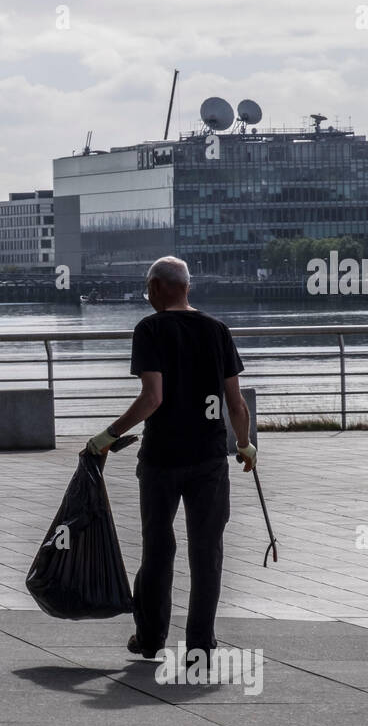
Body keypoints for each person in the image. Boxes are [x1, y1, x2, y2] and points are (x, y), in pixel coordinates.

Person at [85, 256, 255, 664]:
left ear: (159, 286)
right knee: (207, 551)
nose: (147, 294)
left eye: (148, 287)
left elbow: (153, 398)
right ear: (187, 287)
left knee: (158, 548)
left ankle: (150, 639)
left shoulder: (150, 329)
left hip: (162, 458)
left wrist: (109, 435)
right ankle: (200, 644)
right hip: (211, 458)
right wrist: (245, 445)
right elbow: (236, 402)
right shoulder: (218, 330)